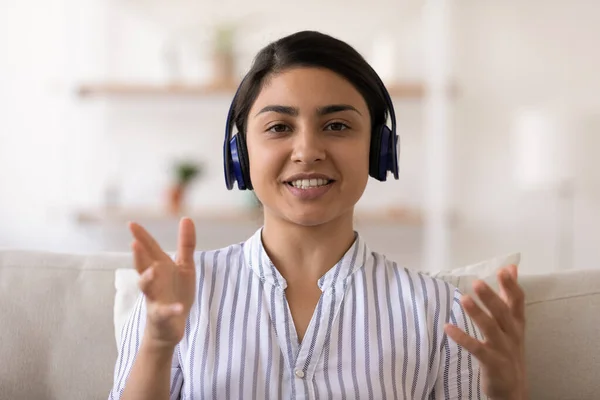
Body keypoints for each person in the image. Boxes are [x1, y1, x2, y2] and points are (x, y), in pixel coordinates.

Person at [108, 31, 527, 400]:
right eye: (278, 128)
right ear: (240, 156)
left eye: (337, 126)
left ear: (378, 150)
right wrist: (158, 346)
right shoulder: (174, 295)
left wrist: (509, 395)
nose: (308, 151)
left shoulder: (443, 313)